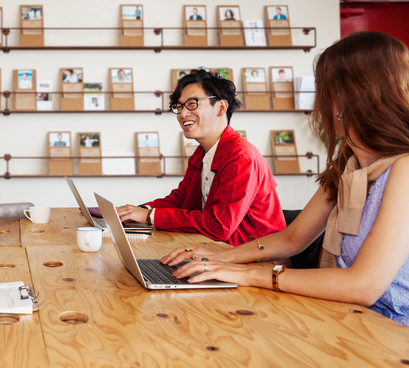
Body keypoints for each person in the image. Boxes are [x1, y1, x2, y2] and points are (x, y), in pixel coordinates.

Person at [164, 33, 409, 333]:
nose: (319, 102)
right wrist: (223, 257)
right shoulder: (349, 164)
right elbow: (293, 238)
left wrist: (249, 275)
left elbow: (363, 285)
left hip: (401, 333)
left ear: (356, 94)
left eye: (324, 89)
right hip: (355, 319)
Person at [116, 69, 286, 245]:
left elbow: (219, 225)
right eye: (179, 107)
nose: (182, 114)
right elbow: (179, 200)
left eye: (192, 103)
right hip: (221, 252)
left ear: (221, 108)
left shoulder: (241, 157)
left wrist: (150, 216)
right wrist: (139, 210)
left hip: (259, 260)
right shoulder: (202, 152)